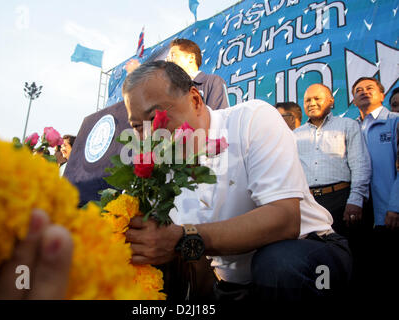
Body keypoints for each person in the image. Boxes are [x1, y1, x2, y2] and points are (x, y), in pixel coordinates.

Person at [122, 61, 352, 301]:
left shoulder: (251, 119)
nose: (150, 136)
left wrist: (183, 238)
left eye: (156, 117)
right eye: (138, 127)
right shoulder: (158, 173)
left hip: (313, 262)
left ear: (195, 100)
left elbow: (284, 220)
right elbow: (195, 259)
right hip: (236, 284)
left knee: (279, 265)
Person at [294, 84, 371, 236]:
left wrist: (355, 200)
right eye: (307, 100)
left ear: (331, 101)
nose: (312, 103)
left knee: (348, 252)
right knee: (315, 253)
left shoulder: (348, 125)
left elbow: (360, 164)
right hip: (308, 203)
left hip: (341, 199)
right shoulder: (295, 135)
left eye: (317, 98)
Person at [352, 76, 399, 296]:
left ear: (382, 94)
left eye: (370, 88)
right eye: (358, 89)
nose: (364, 91)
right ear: (353, 99)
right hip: (360, 212)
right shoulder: (351, 129)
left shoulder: (395, 121)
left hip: (389, 212)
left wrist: (395, 205)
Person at [125, 38, 229, 111]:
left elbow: (218, 122)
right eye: (167, 58)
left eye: (173, 55)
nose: (168, 60)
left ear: (191, 58)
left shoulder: (212, 82)